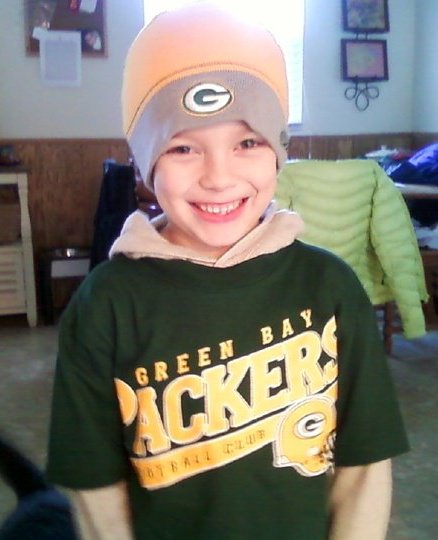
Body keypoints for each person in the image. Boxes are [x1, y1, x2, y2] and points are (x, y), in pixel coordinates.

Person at [46, 3, 409, 539]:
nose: (219, 177)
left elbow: (364, 468)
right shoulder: (105, 304)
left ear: (278, 152)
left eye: (248, 142)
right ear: (146, 164)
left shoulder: (329, 287)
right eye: (183, 147)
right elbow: (95, 492)